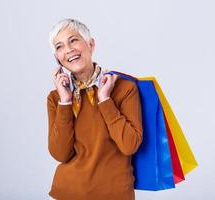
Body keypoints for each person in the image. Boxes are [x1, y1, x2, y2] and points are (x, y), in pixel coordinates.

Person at [47, 18, 143, 200]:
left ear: (91, 44)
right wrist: (65, 101)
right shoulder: (56, 98)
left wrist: (105, 100)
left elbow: (129, 145)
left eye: (73, 40)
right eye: (59, 46)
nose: (68, 49)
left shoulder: (124, 88)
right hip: (67, 193)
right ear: (57, 59)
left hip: (114, 194)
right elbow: (60, 153)